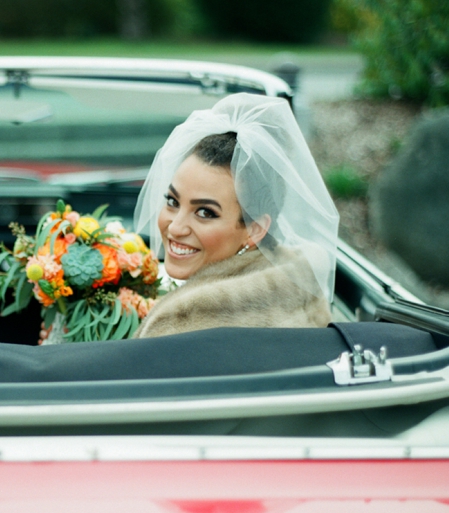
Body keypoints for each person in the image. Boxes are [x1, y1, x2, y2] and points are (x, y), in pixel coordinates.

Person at [132, 93, 339, 338]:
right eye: (172, 201)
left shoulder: (182, 323)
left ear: (255, 229)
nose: (176, 228)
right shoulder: (300, 280)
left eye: (205, 212)